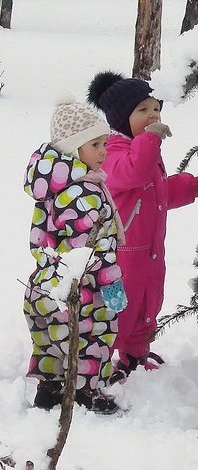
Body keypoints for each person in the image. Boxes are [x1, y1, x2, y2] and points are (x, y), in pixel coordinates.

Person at [87, 71, 198, 383]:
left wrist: (191, 187)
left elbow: (154, 191)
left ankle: (134, 355)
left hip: (149, 252)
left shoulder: (142, 150)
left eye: (155, 107)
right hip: (121, 256)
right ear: (121, 118)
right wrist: (151, 138)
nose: (153, 115)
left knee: (147, 305)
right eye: (142, 110)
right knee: (119, 310)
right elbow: (134, 174)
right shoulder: (112, 153)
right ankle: (100, 363)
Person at [23, 97, 127, 414]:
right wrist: (113, 287)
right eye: (94, 144)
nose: (103, 151)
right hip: (84, 285)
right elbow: (88, 250)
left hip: (47, 281)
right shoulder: (82, 192)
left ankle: (50, 389)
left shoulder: (56, 187)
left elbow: (44, 238)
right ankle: (84, 392)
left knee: (52, 338)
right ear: (72, 149)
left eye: (104, 143)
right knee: (93, 335)